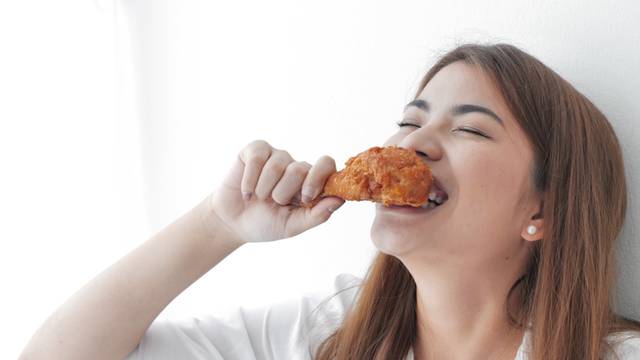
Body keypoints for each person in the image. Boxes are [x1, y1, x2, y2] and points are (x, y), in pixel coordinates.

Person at [20, 43, 640, 360]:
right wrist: (217, 225)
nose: (411, 144)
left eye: (470, 128)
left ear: (544, 211)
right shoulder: (326, 333)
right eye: (408, 120)